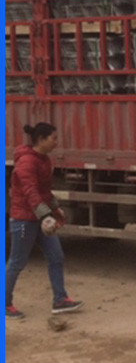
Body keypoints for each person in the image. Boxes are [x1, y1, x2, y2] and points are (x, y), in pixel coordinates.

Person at [6, 122, 83, 319]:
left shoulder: (43, 160)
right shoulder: (27, 162)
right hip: (24, 220)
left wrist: (54, 209)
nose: (56, 143)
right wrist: (46, 216)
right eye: (53, 139)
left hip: (38, 219)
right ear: (41, 140)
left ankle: (60, 300)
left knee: (56, 256)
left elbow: (44, 191)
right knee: (17, 262)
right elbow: (31, 192)